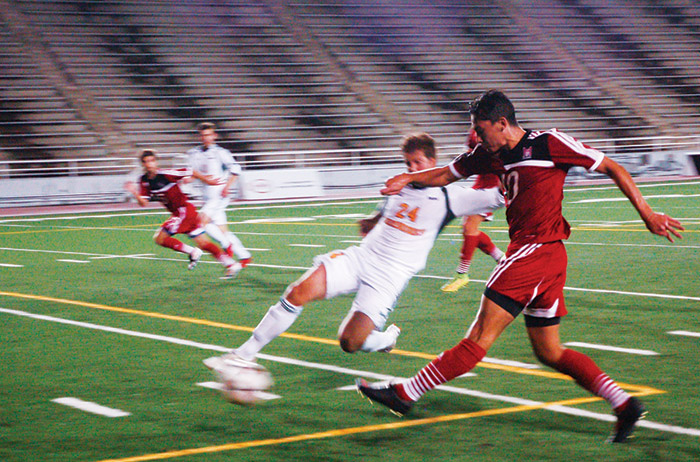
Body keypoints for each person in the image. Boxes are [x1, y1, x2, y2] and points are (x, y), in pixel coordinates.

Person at [357, 90, 684, 443]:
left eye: (482, 131)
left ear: (502, 123)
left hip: (536, 252)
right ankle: (624, 404)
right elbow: (446, 175)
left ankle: (406, 393)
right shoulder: (488, 153)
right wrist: (407, 179)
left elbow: (612, 166)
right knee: (549, 351)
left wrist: (647, 214)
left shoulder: (548, 143)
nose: (477, 138)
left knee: (479, 337)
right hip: (546, 260)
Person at [203, 132, 505, 372]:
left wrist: (511, 162)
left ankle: (386, 338)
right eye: (407, 163)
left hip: (390, 275)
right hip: (361, 258)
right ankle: (243, 355)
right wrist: (372, 221)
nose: (411, 169)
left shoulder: (452, 196)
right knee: (298, 291)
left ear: (433, 161)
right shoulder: (398, 186)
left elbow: (501, 194)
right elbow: (384, 210)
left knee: (349, 341)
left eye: (417, 163)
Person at [125, 149, 242, 278]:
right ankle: (231, 264)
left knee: (160, 238)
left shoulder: (165, 174)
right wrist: (135, 193)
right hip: (185, 212)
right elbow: (144, 203)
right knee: (204, 243)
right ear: (143, 164)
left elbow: (190, 171)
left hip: (183, 211)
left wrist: (207, 181)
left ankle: (192, 252)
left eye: (152, 160)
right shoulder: (143, 181)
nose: (150, 164)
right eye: (147, 162)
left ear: (156, 161)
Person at [441, 130, 504, 292]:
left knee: (469, 228)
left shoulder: (491, 130)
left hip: (493, 187)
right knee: (469, 230)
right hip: (482, 185)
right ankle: (501, 258)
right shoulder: (477, 130)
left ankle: (462, 273)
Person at [186, 122, 252, 267]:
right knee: (221, 229)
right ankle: (244, 255)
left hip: (219, 194)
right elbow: (193, 174)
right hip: (206, 196)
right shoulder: (194, 153)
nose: (206, 138)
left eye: (209, 135)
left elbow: (236, 169)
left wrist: (227, 186)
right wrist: (186, 180)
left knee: (199, 223)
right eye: (203, 135)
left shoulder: (220, 153)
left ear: (214, 136)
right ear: (200, 137)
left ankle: (225, 244)